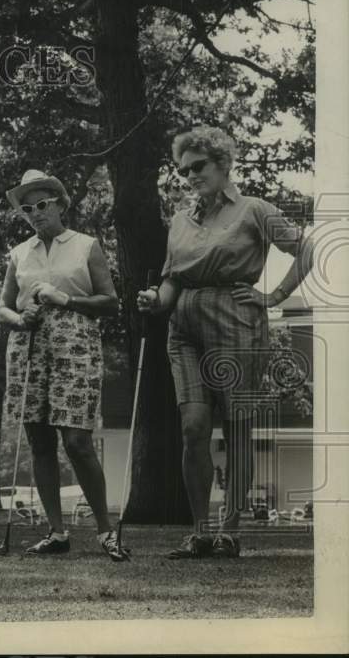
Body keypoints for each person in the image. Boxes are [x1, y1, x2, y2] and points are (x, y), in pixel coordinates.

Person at [138, 126, 313, 559]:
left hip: (237, 321)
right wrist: (154, 300)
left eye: (199, 166)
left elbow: (307, 251)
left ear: (222, 164)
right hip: (184, 329)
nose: (191, 175)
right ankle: (200, 531)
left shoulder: (254, 209)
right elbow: (171, 280)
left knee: (237, 428)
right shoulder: (181, 218)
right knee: (193, 426)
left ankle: (230, 529)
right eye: (184, 171)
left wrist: (272, 296)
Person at [0, 169, 126, 561]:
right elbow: (2, 307)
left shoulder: (86, 245)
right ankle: (57, 532)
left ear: (59, 204)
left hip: (75, 343)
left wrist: (64, 299)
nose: (34, 213)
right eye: (27, 209)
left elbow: (110, 302)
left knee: (77, 441)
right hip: (29, 344)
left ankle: (106, 531)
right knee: (39, 440)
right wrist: (21, 318)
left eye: (41, 205)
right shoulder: (19, 253)